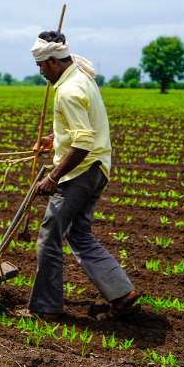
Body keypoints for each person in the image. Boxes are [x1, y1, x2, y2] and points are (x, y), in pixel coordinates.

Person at [18, 30, 139, 320]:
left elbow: (83, 143)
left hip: (81, 172)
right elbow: (79, 130)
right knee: (78, 233)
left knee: (49, 237)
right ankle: (122, 294)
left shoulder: (70, 91)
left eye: (40, 66)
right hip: (98, 168)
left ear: (52, 62)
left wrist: (54, 177)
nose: (39, 71)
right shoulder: (80, 76)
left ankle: (46, 308)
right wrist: (53, 138)